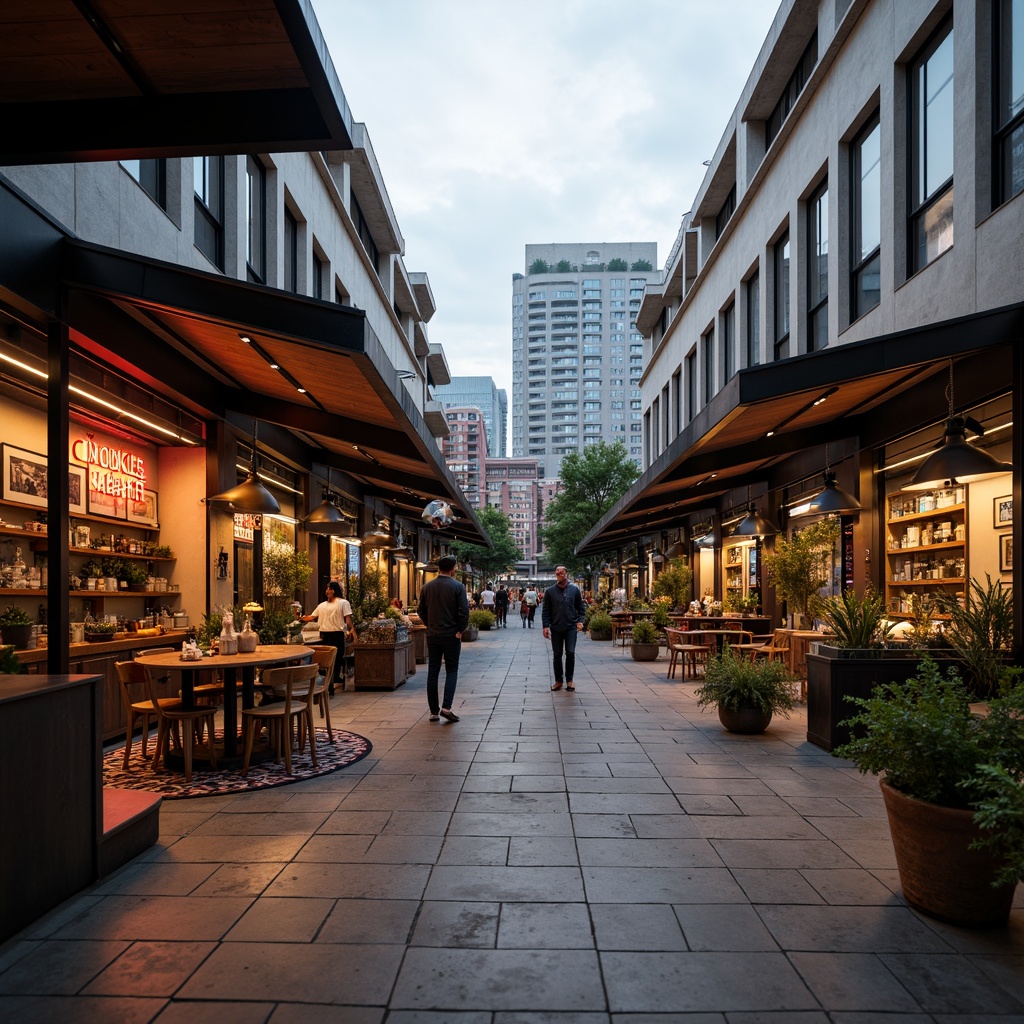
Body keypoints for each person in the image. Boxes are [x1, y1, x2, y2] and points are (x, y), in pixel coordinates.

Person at [417, 554, 470, 723]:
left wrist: (429, 624)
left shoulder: (427, 587)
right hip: (451, 635)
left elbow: (421, 611)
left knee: (433, 672)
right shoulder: (458, 587)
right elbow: (464, 611)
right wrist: (460, 630)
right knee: (451, 670)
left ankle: (433, 711)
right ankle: (446, 707)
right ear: (453, 569)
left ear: (439, 568)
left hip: (433, 635)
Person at [300, 580, 353, 695]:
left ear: (334, 590)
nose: (327, 591)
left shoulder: (343, 603)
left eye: (329, 589)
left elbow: (347, 619)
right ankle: (328, 684)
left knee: (335, 660)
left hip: (336, 634)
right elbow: (312, 617)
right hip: (324, 635)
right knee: (325, 661)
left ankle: (331, 684)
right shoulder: (322, 605)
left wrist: (351, 630)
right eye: (326, 589)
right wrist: (301, 618)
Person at [542, 565, 586, 692]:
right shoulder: (550, 591)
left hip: (571, 627)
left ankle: (570, 680)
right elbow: (546, 611)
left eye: (561, 573)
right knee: (557, 654)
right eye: (557, 573)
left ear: (566, 574)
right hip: (556, 627)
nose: (559, 575)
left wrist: (580, 621)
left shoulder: (574, 589)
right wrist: (545, 626)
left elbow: (581, 608)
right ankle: (558, 681)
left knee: (570, 653)